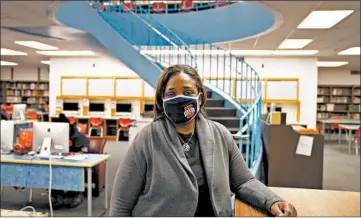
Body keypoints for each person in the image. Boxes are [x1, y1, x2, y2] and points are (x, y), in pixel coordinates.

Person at [109, 65, 297, 217]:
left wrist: (272, 200)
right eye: (171, 94)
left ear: (200, 98)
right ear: (162, 100)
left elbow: (244, 181)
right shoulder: (147, 139)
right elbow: (120, 205)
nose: (180, 98)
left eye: (188, 92)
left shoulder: (220, 135)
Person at [51, 113, 90, 209]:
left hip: (75, 162)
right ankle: (57, 194)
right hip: (59, 160)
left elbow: (85, 149)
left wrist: (76, 152)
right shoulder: (55, 134)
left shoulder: (77, 135)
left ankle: (76, 193)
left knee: (75, 169)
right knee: (52, 168)